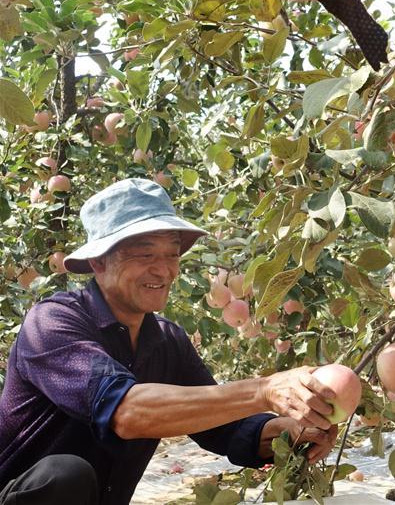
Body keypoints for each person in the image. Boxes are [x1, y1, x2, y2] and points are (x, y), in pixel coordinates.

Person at [0, 178, 339, 504]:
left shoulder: (166, 341)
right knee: (64, 474)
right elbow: (126, 411)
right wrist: (263, 390)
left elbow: (223, 430)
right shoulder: (53, 322)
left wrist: (288, 433)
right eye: (144, 255)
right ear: (98, 262)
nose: (163, 270)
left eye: (172, 254)